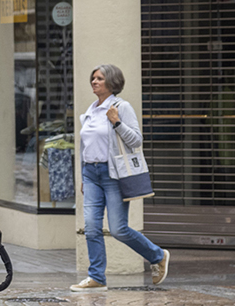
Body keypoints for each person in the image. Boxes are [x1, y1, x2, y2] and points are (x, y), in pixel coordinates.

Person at [70, 63, 169, 290]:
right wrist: (83, 176)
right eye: (93, 78)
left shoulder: (121, 107)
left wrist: (116, 122)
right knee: (91, 227)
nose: (94, 82)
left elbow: (136, 140)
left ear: (112, 82)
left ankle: (158, 255)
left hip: (112, 175)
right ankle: (96, 277)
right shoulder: (91, 110)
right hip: (91, 174)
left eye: (99, 78)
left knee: (118, 229)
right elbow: (85, 146)